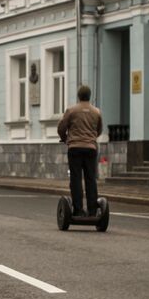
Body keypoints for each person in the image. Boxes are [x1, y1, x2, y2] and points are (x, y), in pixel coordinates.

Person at [57, 85, 103, 217]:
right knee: (90, 179)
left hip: (75, 149)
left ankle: (78, 210)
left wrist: (65, 138)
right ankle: (93, 211)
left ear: (78, 96)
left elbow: (61, 127)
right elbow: (99, 130)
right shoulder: (96, 112)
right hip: (91, 149)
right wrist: (90, 138)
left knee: (76, 179)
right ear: (90, 96)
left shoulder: (71, 111)